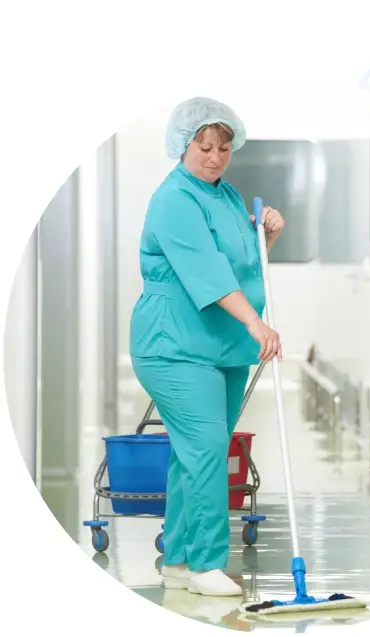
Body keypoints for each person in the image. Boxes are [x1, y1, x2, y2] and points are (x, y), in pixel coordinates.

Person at [129, 96, 285, 597]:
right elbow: (210, 277)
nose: (215, 157)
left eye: (223, 147)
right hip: (173, 344)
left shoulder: (226, 195)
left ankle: (177, 557)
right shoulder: (174, 199)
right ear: (182, 145)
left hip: (222, 344)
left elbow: (240, 268)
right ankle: (206, 565)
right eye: (204, 147)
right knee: (207, 448)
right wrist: (259, 327)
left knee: (192, 451)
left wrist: (268, 238)